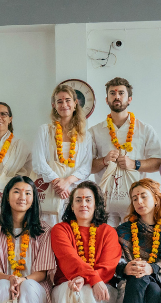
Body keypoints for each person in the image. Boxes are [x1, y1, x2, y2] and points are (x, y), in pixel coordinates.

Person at [44, 182, 121, 303]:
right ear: (71, 206)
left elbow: (108, 266)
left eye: (88, 200)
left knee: (83, 289)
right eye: (78, 200)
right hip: (65, 286)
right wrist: (91, 280)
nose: (83, 204)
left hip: (102, 287)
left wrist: (86, 279)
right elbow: (69, 258)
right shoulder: (60, 229)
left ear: (96, 205)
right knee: (75, 290)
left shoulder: (109, 231)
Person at [89, 77, 161, 227]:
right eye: (112, 93)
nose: (116, 96)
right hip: (105, 203)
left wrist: (134, 163)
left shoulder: (144, 129)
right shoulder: (94, 131)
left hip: (135, 204)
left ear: (129, 99)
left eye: (121, 93)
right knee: (106, 245)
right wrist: (104, 160)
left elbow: (158, 163)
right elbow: (87, 166)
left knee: (131, 246)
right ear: (106, 99)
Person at [31, 84, 93, 225]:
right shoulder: (44, 131)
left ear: (75, 103)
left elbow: (86, 166)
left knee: (72, 231)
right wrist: (57, 182)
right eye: (59, 101)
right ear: (54, 105)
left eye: (67, 100)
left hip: (73, 192)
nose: (64, 104)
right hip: (50, 190)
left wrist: (67, 182)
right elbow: (37, 162)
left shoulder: (85, 135)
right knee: (48, 231)